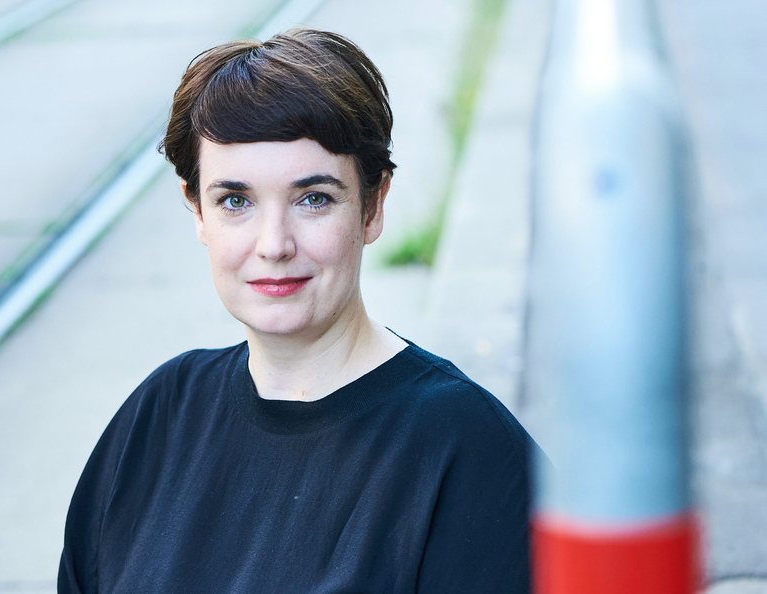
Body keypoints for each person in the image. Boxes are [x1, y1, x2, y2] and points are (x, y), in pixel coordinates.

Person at [59, 28, 536, 593]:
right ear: (198, 212)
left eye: (314, 199)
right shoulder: (159, 415)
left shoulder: (470, 453)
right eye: (235, 201)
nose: (273, 244)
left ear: (373, 206)